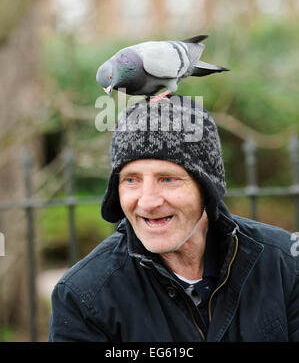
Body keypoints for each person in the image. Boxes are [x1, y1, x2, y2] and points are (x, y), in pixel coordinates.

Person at [49, 95, 299, 342]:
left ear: (206, 187)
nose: (147, 201)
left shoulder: (285, 264)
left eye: (167, 179)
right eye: (131, 180)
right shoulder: (83, 296)